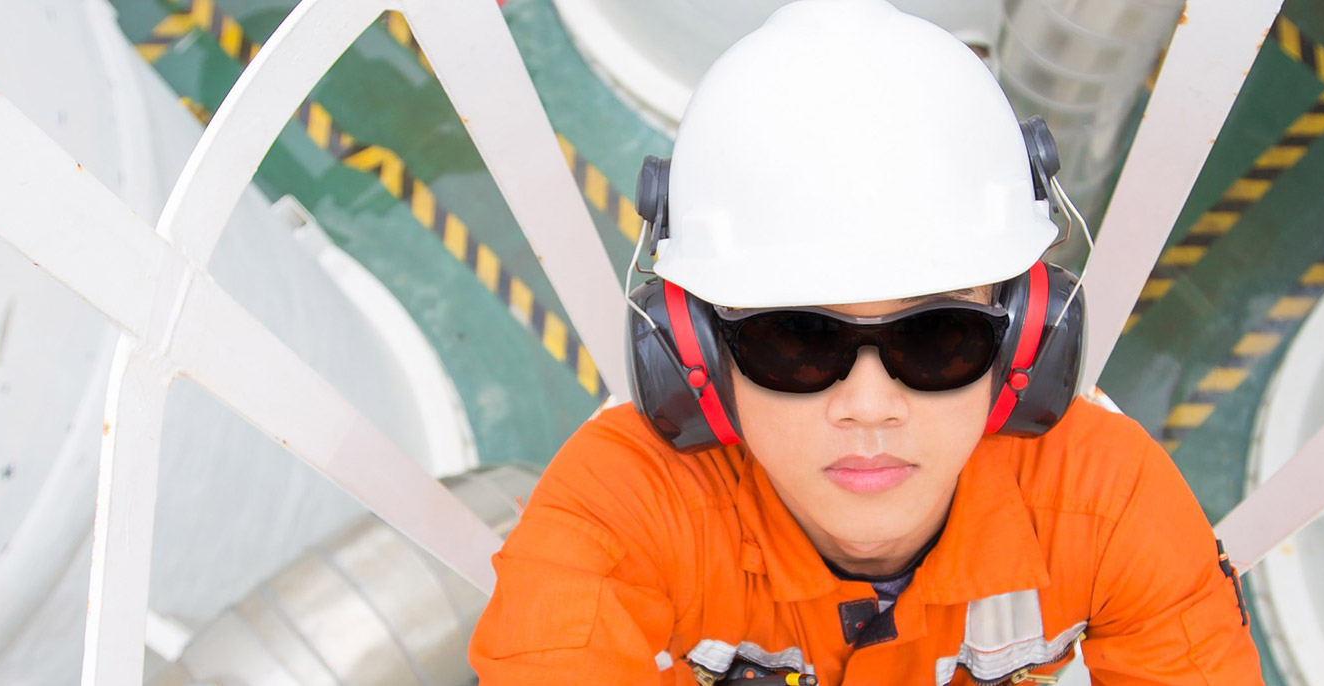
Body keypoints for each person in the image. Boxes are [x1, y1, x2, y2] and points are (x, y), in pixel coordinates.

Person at [466, 1, 1263, 683]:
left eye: (941, 337)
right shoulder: (616, 518)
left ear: (1027, 343)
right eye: (793, 339)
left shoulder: (1108, 507)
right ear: (696, 355)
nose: (869, 407)